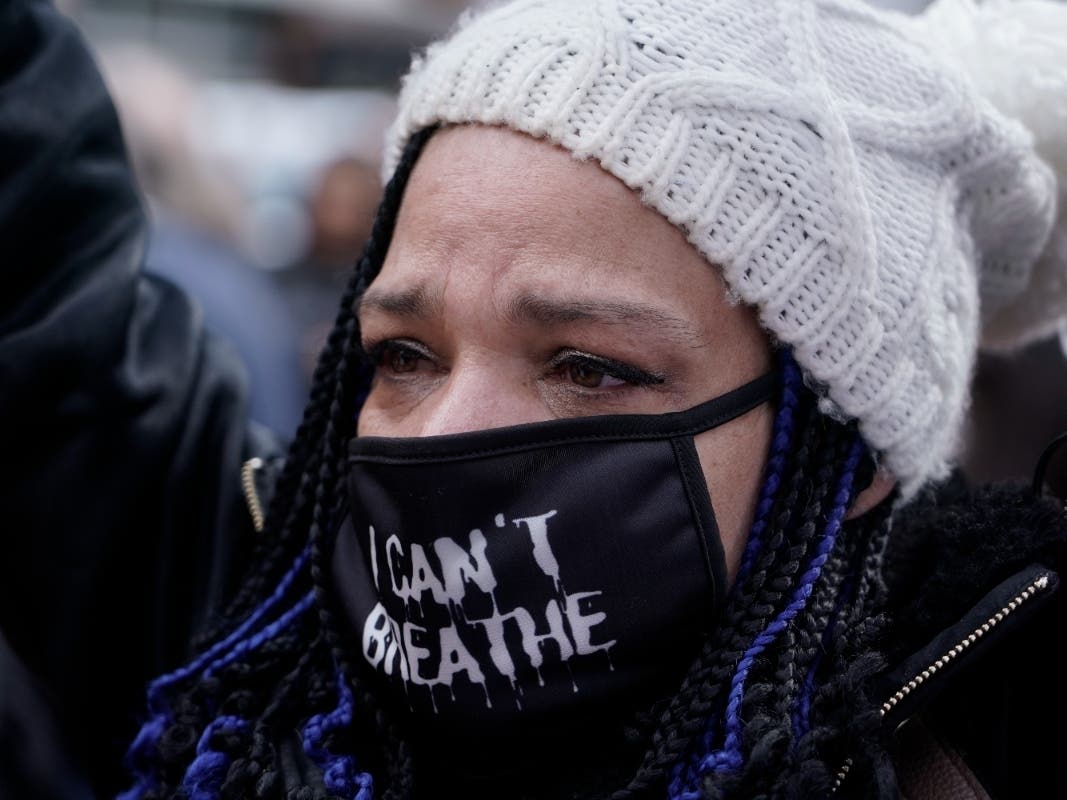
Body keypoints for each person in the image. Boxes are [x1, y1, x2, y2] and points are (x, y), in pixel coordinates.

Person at [2, 1, 1066, 800]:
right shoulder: (243, 640)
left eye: (587, 366)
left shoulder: (979, 741)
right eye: (404, 352)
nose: (452, 429)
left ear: (848, 449)